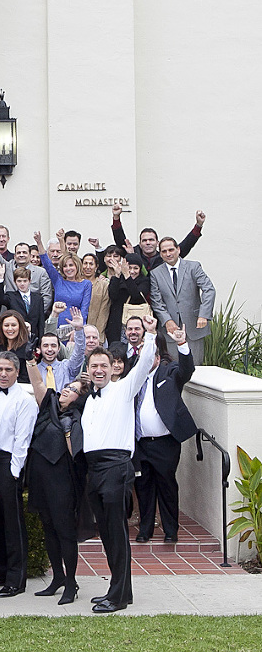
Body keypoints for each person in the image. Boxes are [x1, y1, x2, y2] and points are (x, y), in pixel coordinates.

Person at [81, 316, 159, 612]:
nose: (99, 370)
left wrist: (150, 336)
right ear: (88, 371)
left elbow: (143, 366)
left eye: (104, 365)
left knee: (116, 532)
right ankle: (120, 591)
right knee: (107, 533)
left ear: (113, 368)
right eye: (94, 366)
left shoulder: (124, 388)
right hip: (95, 469)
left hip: (116, 467)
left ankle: (117, 596)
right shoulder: (91, 399)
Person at [24, 359, 90, 604]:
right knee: (48, 529)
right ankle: (58, 577)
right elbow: (37, 382)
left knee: (64, 532)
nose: (66, 390)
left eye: (73, 390)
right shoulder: (48, 404)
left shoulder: (77, 416)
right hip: (40, 476)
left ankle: (71, 582)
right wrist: (31, 360)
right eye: (67, 387)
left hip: (62, 480)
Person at [134, 325, 198, 544]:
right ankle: (145, 530)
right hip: (140, 443)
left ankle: (171, 531)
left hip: (165, 443)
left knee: (167, 486)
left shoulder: (169, 372)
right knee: (143, 487)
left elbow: (186, 371)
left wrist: (182, 344)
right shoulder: (134, 377)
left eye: (149, 354)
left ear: (158, 357)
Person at [0, 351, 39, 597]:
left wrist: (14, 472)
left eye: (8, 370)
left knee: (12, 523)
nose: (3, 374)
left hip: (9, 463)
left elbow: (22, 439)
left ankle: (17, 578)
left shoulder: (24, 401)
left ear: (17, 372)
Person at [148, 237, 216, 365]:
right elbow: (156, 301)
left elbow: (209, 290)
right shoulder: (155, 274)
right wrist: (167, 320)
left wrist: (203, 314)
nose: (168, 254)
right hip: (170, 331)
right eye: (164, 251)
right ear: (160, 254)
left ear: (178, 249)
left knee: (195, 369)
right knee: (172, 369)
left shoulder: (193, 267)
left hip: (194, 327)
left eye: (171, 249)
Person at [110, 202, 205, 273]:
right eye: (144, 240)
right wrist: (116, 217)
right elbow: (120, 241)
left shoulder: (165, 256)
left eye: (151, 240)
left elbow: (186, 245)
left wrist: (199, 225)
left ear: (157, 243)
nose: (148, 243)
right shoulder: (132, 252)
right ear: (140, 243)